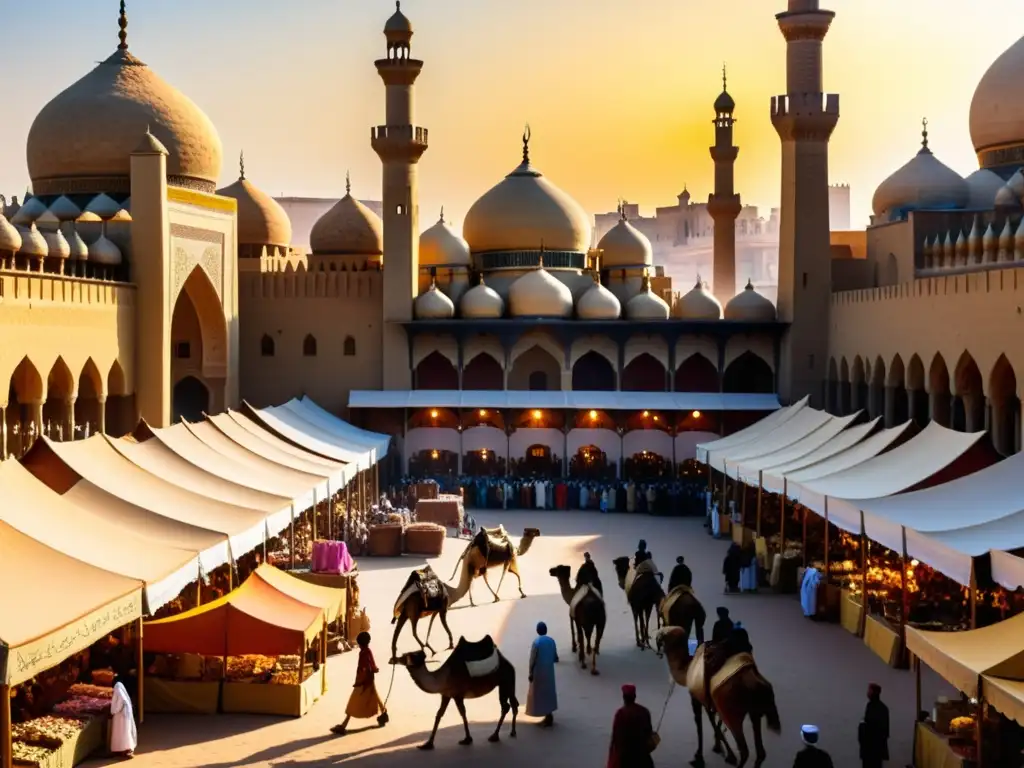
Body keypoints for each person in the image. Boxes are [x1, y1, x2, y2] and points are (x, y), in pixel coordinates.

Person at [332, 631, 388, 735]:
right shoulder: (368, 651)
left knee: (353, 702)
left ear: (359, 643)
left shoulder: (363, 653)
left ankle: (343, 725)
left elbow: (364, 667)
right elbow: (371, 664)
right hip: (370, 679)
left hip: (363, 681)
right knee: (374, 695)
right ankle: (384, 714)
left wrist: (359, 681)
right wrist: (375, 669)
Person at [607, 684, 655, 768]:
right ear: (635, 696)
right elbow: (649, 732)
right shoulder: (644, 711)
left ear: (624, 697)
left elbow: (616, 737)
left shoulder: (620, 714)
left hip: (626, 757)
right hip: (642, 756)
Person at [526, 622, 559, 727]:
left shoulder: (536, 642)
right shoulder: (551, 640)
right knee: (548, 692)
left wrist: (530, 672)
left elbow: (532, 659)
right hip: (549, 671)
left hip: (539, 671)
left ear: (537, 631)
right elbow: (555, 657)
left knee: (540, 694)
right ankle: (549, 715)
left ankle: (547, 716)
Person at [859, 683, 890, 768]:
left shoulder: (871, 707)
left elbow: (869, 726)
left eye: (869, 690)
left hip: (870, 748)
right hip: (878, 749)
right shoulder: (883, 708)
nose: (867, 693)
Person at [109, 674, 137, 758]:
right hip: (122, 714)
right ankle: (121, 750)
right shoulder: (120, 686)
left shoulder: (117, 687)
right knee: (122, 732)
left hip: (121, 714)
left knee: (122, 732)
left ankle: (125, 749)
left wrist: (113, 711)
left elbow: (121, 700)